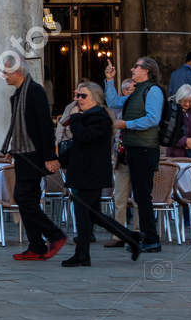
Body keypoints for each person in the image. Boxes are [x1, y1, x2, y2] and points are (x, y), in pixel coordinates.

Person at [60, 81, 141, 266]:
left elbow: (83, 137)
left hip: (91, 173)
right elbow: (78, 144)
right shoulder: (88, 116)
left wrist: (75, 119)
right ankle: (131, 238)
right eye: (77, 95)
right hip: (84, 171)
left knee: (83, 213)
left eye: (83, 96)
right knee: (94, 214)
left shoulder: (100, 117)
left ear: (95, 98)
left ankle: (82, 254)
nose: (79, 99)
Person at [2, 55, 68, 261]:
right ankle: (36, 245)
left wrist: (49, 156)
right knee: (25, 199)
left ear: (18, 72)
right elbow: (18, 127)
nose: (4, 76)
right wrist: (10, 149)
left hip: (34, 154)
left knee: (24, 198)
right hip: (22, 153)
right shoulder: (18, 95)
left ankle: (54, 235)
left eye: (6, 72)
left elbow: (45, 126)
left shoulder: (35, 91)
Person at [105, 56, 165, 253]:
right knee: (139, 196)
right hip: (134, 149)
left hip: (145, 149)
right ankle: (148, 237)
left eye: (136, 66)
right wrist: (110, 80)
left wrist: (126, 124)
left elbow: (153, 118)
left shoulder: (152, 91)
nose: (132, 69)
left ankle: (151, 238)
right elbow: (113, 102)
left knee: (143, 196)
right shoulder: (136, 91)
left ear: (147, 70)